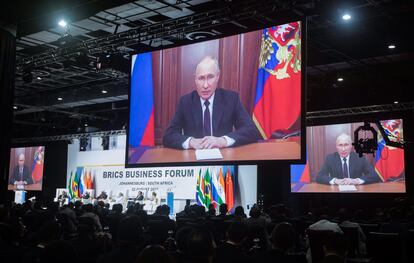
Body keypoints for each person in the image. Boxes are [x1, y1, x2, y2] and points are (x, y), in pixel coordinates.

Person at [163, 56, 261, 150]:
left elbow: (251, 131)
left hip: (223, 158)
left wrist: (223, 141)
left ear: (218, 76)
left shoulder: (231, 99)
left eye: (210, 77)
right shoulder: (185, 102)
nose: (205, 85)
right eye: (201, 78)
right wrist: (191, 142)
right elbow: (168, 136)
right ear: (195, 79)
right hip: (194, 159)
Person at [316, 133, 381, 185]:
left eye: (346, 145)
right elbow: (319, 177)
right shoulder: (330, 158)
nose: (343, 149)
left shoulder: (360, 157)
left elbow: (374, 176)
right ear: (336, 147)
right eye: (340, 145)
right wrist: (335, 180)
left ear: (351, 146)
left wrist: (356, 181)